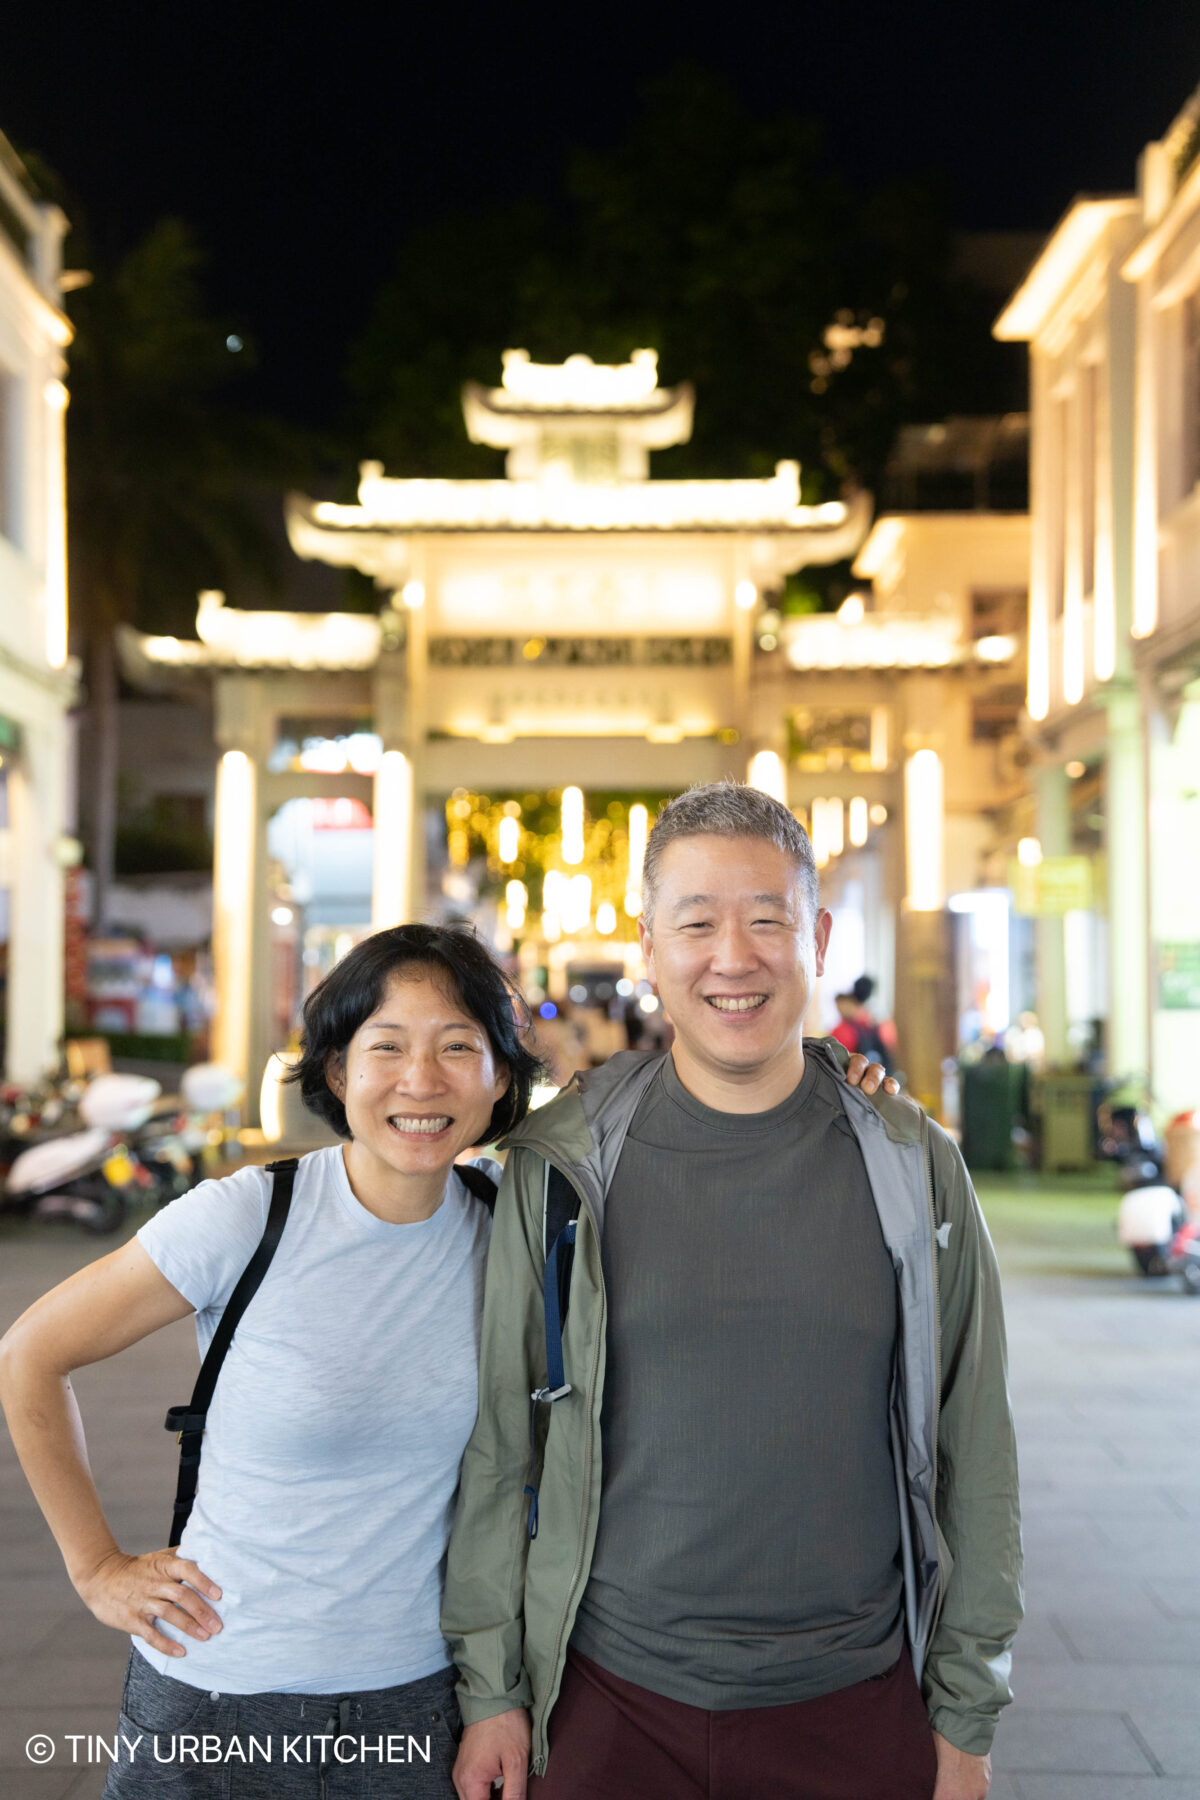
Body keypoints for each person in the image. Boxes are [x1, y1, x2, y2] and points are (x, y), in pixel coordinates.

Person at [443, 783, 1022, 1800]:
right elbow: (503, 1442)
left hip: (853, 1701)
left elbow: (975, 1448)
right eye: (698, 923)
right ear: (650, 945)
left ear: (820, 936)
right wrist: (492, 1689)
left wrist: (966, 1717)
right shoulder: (564, 1164)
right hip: (611, 1699)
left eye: (768, 920)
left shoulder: (910, 1164)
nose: (734, 957)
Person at [0, 922, 541, 1799]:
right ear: (336, 1071)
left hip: (413, 1704)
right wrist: (95, 1566)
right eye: (387, 1047)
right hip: (216, 1694)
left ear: (500, 1077)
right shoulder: (249, 1216)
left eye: (457, 1047)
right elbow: (30, 1354)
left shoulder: (507, 1230)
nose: (421, 1081)